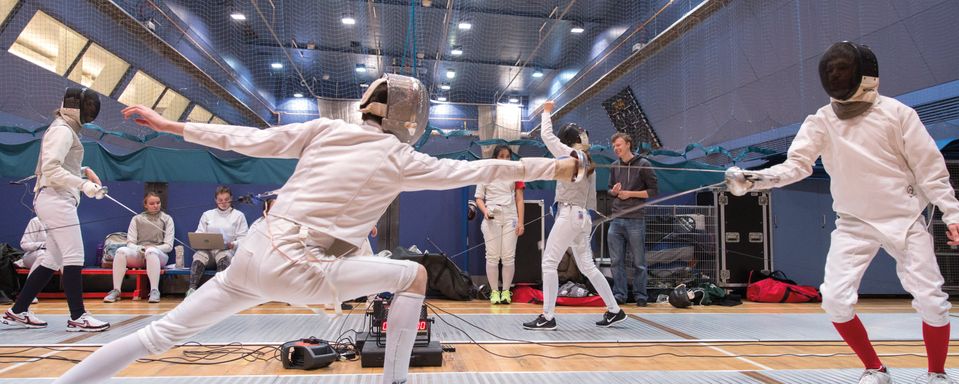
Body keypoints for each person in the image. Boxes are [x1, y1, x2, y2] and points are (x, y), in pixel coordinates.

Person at [55, 74, 588, 384]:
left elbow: (247, 140)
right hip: (300, 264)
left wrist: (173, 125)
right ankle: (396, 381)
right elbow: (487, 169)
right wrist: (559, 167)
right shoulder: (404, 158)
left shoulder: (325, 129)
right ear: (409, 116)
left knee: (157, 335)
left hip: (254, 251)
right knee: (412, 277)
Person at [726, 41, 959, 384]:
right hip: (853, 223)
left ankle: (937, 374)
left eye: (842, 69)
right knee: (834, 300)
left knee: (932, 302)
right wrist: (758, 179)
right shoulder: (821, 120)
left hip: (904, 219)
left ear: (865, 75)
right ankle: (875, 369)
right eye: (830, 69)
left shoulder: (898, 114)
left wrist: (952, 215)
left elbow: (931, 171)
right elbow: (797, 166)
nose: (834, 74)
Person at [1, 87, 110, 332]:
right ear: (76, 106)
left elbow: (60, 165)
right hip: (56, 199)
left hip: (57, 198)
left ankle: (17, 311)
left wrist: (83, 171)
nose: (91, 112)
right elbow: (51, 169)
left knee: (53, 259)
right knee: (74, 255)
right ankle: (78, 316)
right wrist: (84, 185)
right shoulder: (61, 131)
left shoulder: (65, 129)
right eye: (88, 107)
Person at [522, 100, 625, 331]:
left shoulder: (572, 154)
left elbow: (547, 136)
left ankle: (547, 317)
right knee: (587, 266)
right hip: (582, 218)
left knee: (549, 263)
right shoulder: (589, 161)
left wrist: (546, 112)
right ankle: (614, 310)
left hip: (570, 215)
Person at [607, 132, 658, 306]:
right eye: (614, 146)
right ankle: (619, 295)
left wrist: (630, 194)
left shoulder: (644, 164)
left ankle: (641, 296)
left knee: (639, 262)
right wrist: (613, 191)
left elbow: (653, 191)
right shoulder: (614, 166)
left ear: (628, 144)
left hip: (635, 219)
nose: (616, 148)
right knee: (616, 261)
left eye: (619, 145)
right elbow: (609, 189)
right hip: (616, 218)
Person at [475, 144, 525, 304]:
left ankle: (506, 292)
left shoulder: (516, 173)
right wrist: (485, 212)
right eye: (501, 156)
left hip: (511, 217)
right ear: (495, 157)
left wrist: (521, 222)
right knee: (492, 257)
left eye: (507, 156)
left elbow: (519, 198)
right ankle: (494, 292)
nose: (505, 159)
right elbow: (478, 198)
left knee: (509, 257)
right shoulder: (486, 173)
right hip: (492, 217)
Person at [103, 192, 175, 304]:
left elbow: (169, 246)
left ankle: (154, 291)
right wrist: (142, 248)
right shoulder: (137, 219)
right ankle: (116, 290)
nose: (156, 205)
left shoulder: (167, 219)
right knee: (120, 251)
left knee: (151, 252)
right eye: (152, 203)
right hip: (140, 253)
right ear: (145, 205)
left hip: (159, 255)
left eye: (158, 203)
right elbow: (130, 243)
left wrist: (153, 248)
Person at [186, 186, 248, 297]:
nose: (224, 203)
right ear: (215, 200)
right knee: (199, 255)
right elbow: (199, 233)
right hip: (208, 252)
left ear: (231, 198)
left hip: (227, 251)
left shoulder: (238, 216)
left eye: (226, 199)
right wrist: (201, 241)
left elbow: (244, 238)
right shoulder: (207, 214)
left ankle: (220, 291)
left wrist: (233, 244)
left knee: (223, 255)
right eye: (220, 200)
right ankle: (192, 289)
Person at [18, 217, 47, 304]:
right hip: (33, 256)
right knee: (43, 255)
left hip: (56, 258)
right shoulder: (36, 221)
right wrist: (44, 245)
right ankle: (29, 294)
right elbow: (24, 244)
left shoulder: (64, 221)